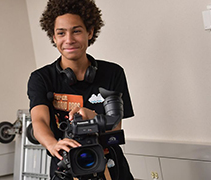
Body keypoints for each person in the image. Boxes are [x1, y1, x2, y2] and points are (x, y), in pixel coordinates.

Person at [27, 0, 135, 179]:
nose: (69, 40)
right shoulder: (41, 78)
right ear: (53, 37)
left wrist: (94, 117)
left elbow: (115, 129)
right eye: (61, 33)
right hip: (67, 166)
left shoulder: (113, 73)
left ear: (90, 32)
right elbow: (39, 123)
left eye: (76, 31)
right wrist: (53, 144)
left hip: (110, 166)